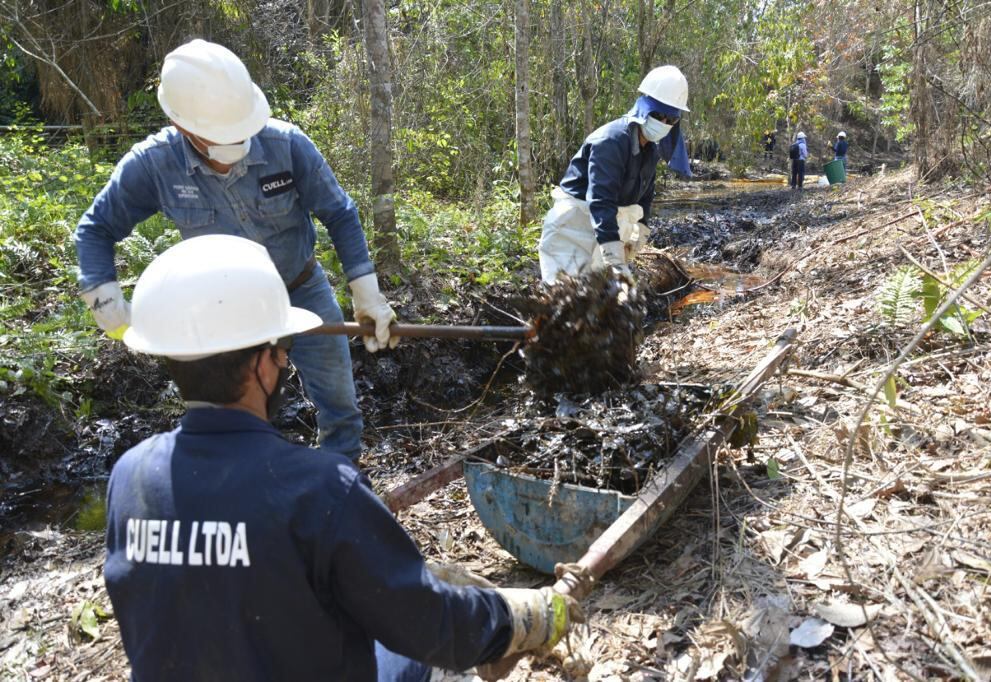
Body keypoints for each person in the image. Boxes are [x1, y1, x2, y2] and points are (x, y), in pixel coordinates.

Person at [104, 234, 582, 682]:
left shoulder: (130, 477)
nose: (287, 361)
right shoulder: (319, 487)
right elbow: (433, 626)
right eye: (282, 349)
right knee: (414, 647)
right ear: (260, 363)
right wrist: (526, 616)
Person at [74, 39, 392, 463]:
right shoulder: (154, 165)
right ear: (182, 125)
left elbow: (340, 213)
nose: (235, 144)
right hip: (226, 309)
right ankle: (251, 488)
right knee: (240, 413)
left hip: (302, 288)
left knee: (339, 401)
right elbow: (96, 228)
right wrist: (103, 296)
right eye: (221, 137)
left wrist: (365, 291)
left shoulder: (287, 145)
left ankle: (342, 479)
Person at [538, 65, 691, 283]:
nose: (664, 123)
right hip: (572, 228)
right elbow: (601, 200)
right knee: (565, 300)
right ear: (644, 108)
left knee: (600, 303)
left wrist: (641, 231)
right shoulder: (611, 141)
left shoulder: (650, 150)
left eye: (671, 120)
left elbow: (646, 194)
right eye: (659, 116)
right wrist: (613, 256)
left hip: (602, 228)